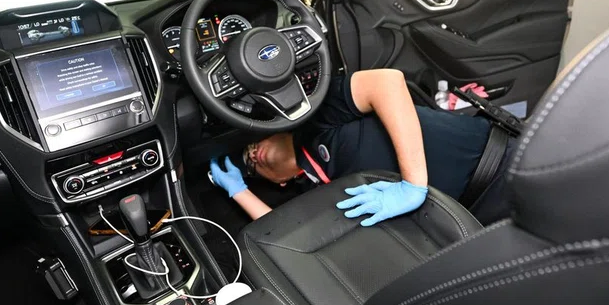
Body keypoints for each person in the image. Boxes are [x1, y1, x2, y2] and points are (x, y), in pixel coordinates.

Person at [209, 69, 504, 226]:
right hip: (477, 214)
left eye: (251, 145)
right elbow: (284, 232)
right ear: (282, 183)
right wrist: (239, 191)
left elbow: (386, 82)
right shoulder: (314, 195)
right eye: (249, 166)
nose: (253, 155)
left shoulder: (317, 118)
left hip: (501, 157)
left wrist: (413, 184)